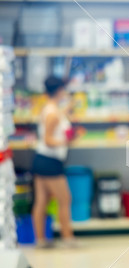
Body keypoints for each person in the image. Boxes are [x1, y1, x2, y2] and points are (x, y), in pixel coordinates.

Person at [31, 76, 76, 248]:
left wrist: (66, 110)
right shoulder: (53, 114)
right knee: (65, 199)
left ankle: (40, 240)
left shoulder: (49, 108)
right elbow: (48, 139)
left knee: (41, 200)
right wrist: (66, 142)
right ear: (59, 91)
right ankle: (67, 238)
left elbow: (56, 118)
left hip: (41, 159)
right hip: (51, 161)